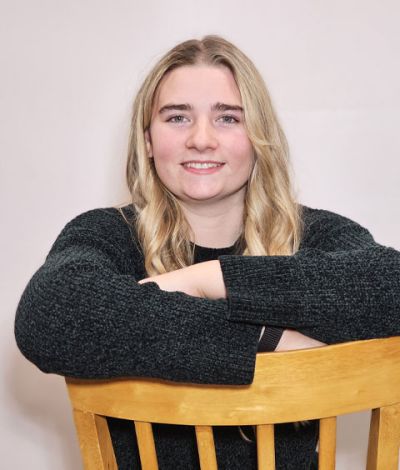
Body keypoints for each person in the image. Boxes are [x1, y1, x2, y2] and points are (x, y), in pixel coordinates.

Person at [14, 35, 400, 470]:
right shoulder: (110, 234)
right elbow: (49, 314)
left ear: (258, 137)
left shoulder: (310, 234)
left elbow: (392, 285)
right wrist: (268, 338)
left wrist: (204, 279)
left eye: (228, 118)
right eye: (177, 117)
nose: (201, 139)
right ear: (147, 140)